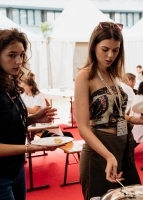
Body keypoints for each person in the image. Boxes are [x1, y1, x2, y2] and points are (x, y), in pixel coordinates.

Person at [74, 22, 143, 200]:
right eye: (105, 49)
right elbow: (83, 128)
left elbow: (113, 114)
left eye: (116, 50)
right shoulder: (84, 76)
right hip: (100, 151)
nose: (110, 55)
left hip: (124, 147)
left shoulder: (112, 73)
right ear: (94, 46)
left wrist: (136, 120)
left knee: (136, 195)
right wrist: (108, 156)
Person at [0, 28, 58, 200]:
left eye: (22, 55)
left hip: (17, 169)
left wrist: (33, 118)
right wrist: (30, 148)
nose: (19, 61)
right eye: (11, 55)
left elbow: (7, 124)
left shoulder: (9, 83)